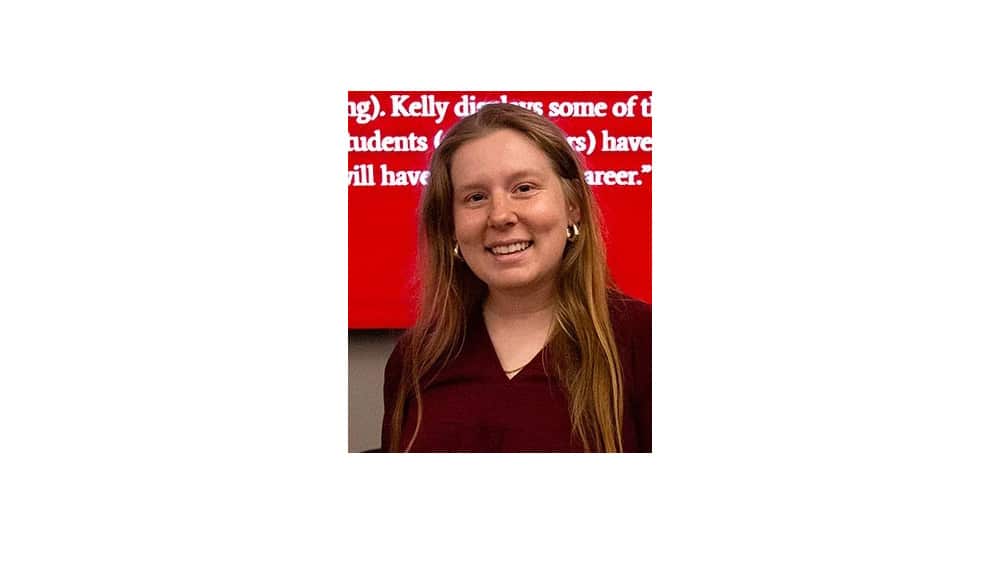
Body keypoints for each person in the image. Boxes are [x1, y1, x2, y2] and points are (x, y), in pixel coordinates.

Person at [380, 102, 651, 453]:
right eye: (475, 197)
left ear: (573, 206)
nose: (500, 215)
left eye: (524, 188)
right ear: (450, 227)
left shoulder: (644, 340)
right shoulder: (415, 358)